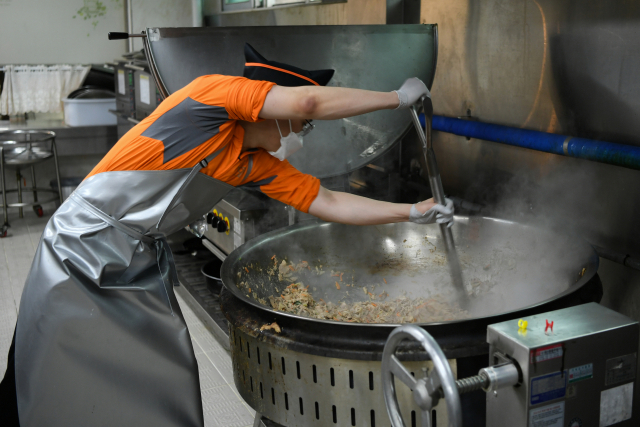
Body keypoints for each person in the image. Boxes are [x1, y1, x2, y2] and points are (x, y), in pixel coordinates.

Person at [0, 44, 453, 426]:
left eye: (306, 127)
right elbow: (308, 103)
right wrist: (395, 98)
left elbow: (330, 203)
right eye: (300, 125)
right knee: (57, 362)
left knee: (161, 369)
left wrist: (412, 212)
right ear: (267, 104)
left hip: (135, 257)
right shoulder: (209, 98)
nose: (302, 131)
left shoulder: (253, 162)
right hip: (86, 243)